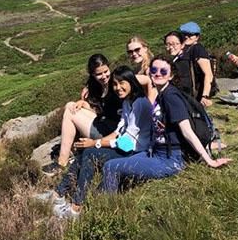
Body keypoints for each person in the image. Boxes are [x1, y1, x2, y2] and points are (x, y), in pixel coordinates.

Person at [99, 56, 231, 195]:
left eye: (163, 71)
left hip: (170, 159)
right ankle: (91, 205)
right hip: (156, 153)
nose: (158, 73)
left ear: (171, 75)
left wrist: (209, 161)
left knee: (111, 166)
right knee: (115, 164)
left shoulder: (171, 97)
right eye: (154, 70)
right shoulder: (162, 95)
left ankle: (107, 205)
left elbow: (187, 131)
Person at [35, 66, 153, 219]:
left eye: (122, 83)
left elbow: (128, 142)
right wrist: (96, 142)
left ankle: (76, 208)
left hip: (136, 152)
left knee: (90, 153)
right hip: (127, 148)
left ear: (131, 81)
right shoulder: (127, 102)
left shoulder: (140, 104)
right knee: (86, 152)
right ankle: (58, 194)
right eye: (115, 85)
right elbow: (118, 132)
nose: (118, 88)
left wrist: (96, 144)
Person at [42, 54, 121, 176]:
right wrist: (83, 103)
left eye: (106, 71)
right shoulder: (97, 86)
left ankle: (62, 162)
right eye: (99, 74)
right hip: (105, 124)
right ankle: (69, 153)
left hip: (112, 133)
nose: (104, 76)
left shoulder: (116, 85)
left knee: (70, 113)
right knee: (70, 105)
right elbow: (101, 112)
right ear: (92, 75)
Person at [175, 22, 214, 107]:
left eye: (190, 35)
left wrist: (205, 96)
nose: (186, 37)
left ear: (197, 37)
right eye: (184, 34)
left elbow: (208, 74)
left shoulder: (198, 49)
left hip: (195, 93)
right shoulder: (186, 49)